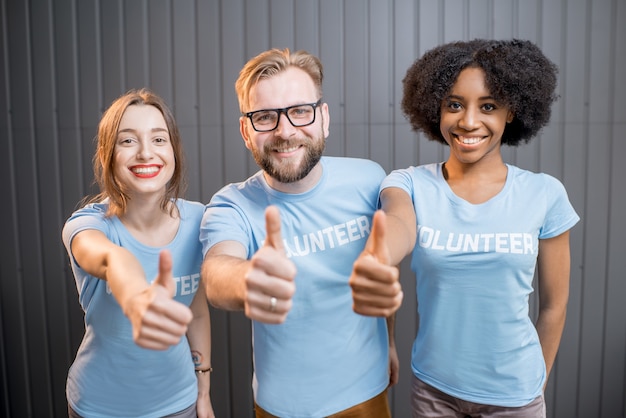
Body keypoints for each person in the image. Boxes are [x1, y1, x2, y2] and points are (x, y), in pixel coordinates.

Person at [349, 39, 580, 417]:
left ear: (512, 112)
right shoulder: (409, 183)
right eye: (454, 104)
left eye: (488, 106)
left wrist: (537, 381)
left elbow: (555, 305)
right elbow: (397, 225)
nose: (468, 121)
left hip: (514, 396)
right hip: (433, 391)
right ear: (434, 108)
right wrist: (378, 257)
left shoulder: (545, 194)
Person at [200, 48, 399, 418]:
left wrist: (388, 340)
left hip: (369, 393)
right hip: (283, 409)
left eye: (300, 111)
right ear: (246, 130)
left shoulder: (370, 179)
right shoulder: (231, 205)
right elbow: (216, 273)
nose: (285, 131)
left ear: (324, 118)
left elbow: (381, 268)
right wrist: (248, 278)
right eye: (264, 117)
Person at [62, 88, 215, 418]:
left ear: (173, 150)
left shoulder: (200, 221)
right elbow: (111, 259)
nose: (146, 153)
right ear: (108, 154)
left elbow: (198, 313)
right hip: (98, 408)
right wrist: (135, 298)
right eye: (128, 140)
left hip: (180, 404)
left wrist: (203, 393)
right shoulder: (87, 225)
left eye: (159, 139)